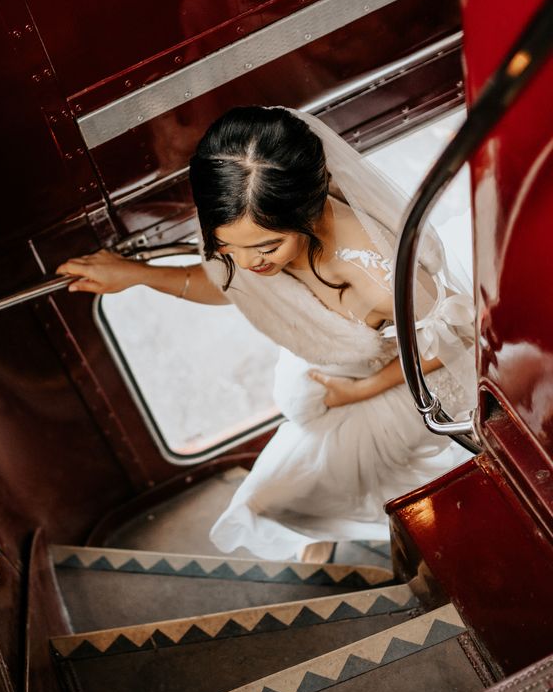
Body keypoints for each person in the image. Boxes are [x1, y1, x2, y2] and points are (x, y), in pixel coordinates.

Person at [57, 106, 476, 562]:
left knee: (278, 496)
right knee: (273, 496)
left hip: (401, 383)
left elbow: (451, 343)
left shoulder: (378, 275)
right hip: (340, 386)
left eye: (266, 248)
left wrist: (361, 391)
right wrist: (138, 274)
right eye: (227, 247)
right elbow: (234, 285)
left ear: (309, 211)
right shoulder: (250, 234)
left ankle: (430, 545)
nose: (250, 263)